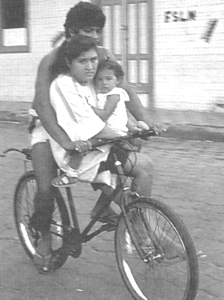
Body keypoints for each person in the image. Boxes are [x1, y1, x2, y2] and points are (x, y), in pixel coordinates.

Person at [29, 2, 153, 273]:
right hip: (49, 124)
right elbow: (43, 106)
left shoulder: (101, 54)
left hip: (88, 122)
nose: (95, 37)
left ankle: (126, 217)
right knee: (46, 185)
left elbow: (123, 88)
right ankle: (45, 241)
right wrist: (63, 142)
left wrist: (145, 122)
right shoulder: (51, 61)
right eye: (88, 30)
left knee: (120, 160)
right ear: (70, 31)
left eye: (98, 30)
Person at [92, 59, 148, 136]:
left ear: (118, 80)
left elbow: (105, 114)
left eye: (108, 79)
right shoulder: (101, 95)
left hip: (114, 131)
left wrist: (89, 107)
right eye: (99, 79)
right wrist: (131, 128)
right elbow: (123, 115)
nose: (104, 83)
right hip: (109, 130)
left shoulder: (114, 95)